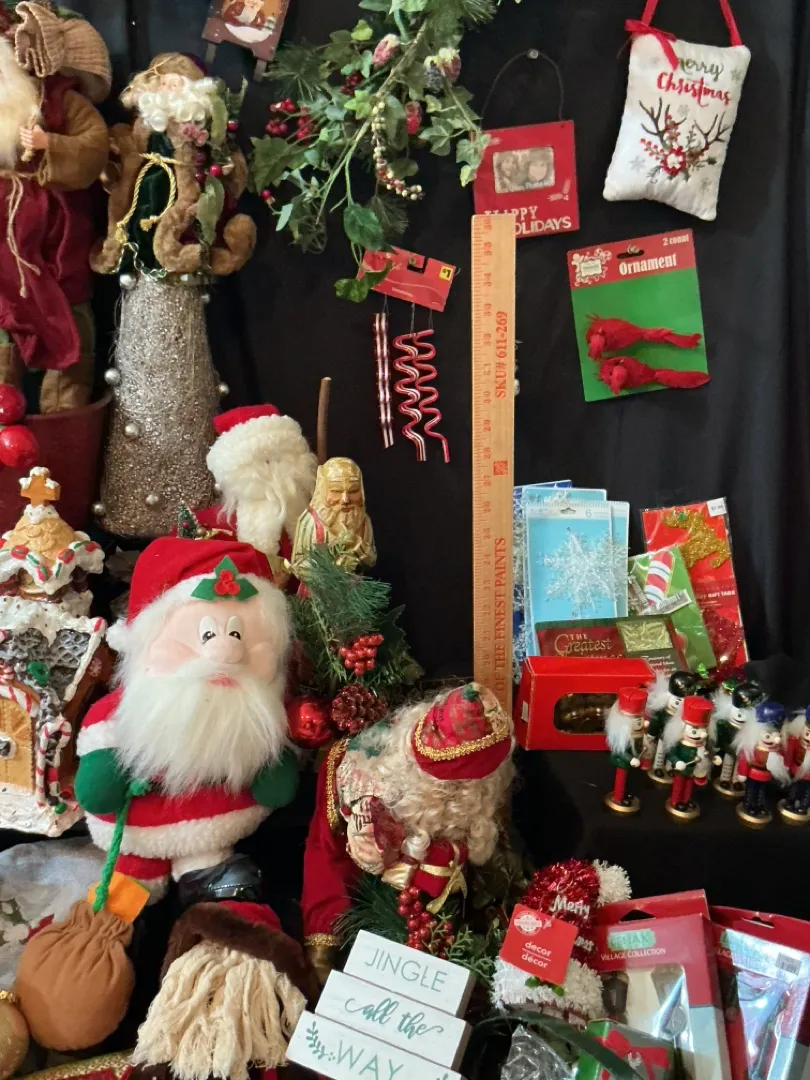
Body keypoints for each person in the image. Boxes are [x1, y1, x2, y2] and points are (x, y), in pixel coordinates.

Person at [74, 536, 300, 902]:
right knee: (123, 900)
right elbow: (98, 785)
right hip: (137, 837)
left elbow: (276, 784)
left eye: (237, 633)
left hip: (215, 838)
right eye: (207, 633)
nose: (227, 651)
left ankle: (221, 914)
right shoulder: (123, 714)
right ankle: (125, 908)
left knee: (228, 896)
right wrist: (104, 777)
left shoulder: (260, 713)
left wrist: (274, 764)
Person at [0, 3, 110, 412]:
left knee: (68, 306)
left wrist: (51, 145)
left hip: (56, 231)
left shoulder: (62, 101)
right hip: (4, 233)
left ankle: (65, 417)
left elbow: (95, 146)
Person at [292, 456, 377, 575]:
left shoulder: (363, 521)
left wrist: (355, 543)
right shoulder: (310, 521)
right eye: (336, 491)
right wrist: (330, 562)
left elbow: (371, 560)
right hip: (319, 586)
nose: (345, 499)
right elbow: (297, 564)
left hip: (355, 585)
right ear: (323, 489)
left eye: (353, 491)